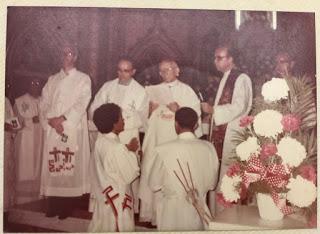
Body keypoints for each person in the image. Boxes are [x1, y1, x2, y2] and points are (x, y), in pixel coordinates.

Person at [139, 59, 202, 224]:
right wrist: (149, 111)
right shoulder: (154, 90)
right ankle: (154, 216)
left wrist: (178, 109)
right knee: (154, 176)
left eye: (168, 69)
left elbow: (194, 117)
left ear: (177, 70)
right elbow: (144, 119)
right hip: (157, 141)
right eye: (161, 70)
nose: (164, 73)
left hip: (176, 142)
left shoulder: (187, 91)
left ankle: (173, 219)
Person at [89, 59, 148, 213]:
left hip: (128, 135)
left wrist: (123, 119)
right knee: (104, 172)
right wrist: (106, 121)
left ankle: (127, 208)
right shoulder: (108, 87)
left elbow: (144, 117)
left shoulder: (140, 91)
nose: (122, 74)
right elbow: (94, 108)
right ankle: (102, 205)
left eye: (126, 71)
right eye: (119, 70)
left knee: (127, 172)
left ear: (133, 71)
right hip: (106, 135)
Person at [39, 44, 91, 219]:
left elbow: (83, 101)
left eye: (68, 53)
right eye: (62, 53)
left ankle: (67, 207)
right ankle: (53, 205)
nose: (64, 56)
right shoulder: (52, 79)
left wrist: (63, 119)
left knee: (68, 168)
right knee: (54, 167)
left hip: (71, 128)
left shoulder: (83, 79)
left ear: (75, 57)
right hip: (54, 129)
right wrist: (51, 120)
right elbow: (43, 103)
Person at [148, 107, 219, 231]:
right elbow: (212, 185)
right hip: (199, 211)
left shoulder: (163, 149)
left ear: (176, 124)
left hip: (172, 215)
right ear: (196, 125)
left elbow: (154, 184)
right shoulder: (209, 148)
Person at [201, 45, 252, 214]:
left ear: (231, 59)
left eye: (219, 57)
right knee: (219, 176)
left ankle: (229, 220)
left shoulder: (241, 78)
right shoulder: (225, 77)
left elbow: (239, 106)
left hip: (232, 135)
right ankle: (217, 217)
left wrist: (215, 111)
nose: (215, 61)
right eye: (215, 57)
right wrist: (212, 116)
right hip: (221, 133)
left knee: (229, 177)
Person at [88, 103, 140, 232]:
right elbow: (130, 174)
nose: (123, 120)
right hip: (118, 197)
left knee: (103, 225)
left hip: (106, 194)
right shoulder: (117, 147)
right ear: (113, 123)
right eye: (120, 118)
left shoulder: (100, 142)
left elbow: (110, 160)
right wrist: (133, 153)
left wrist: (125, 150)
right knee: (118, 226)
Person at [14, 78, 43, 204]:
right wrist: (30, 120)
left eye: (37, 83)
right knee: (25, 167)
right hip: (25, 141)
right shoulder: (20, 102)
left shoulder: (44, 101)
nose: (35, 86)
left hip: (41, 140)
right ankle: (22, 200)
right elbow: (14, 123)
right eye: (32, 83)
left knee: (39, 168)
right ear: (28, 85)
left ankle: (38, 198)